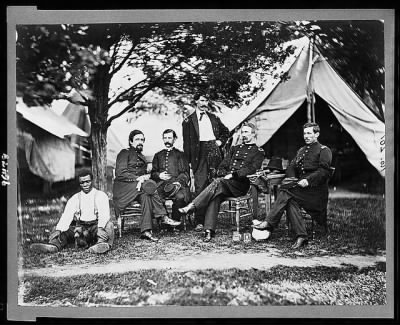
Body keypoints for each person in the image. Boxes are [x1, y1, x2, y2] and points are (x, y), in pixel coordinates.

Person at [179, 122, 265, 242]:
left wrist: (233, 174)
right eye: (242, 132)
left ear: (253, 134)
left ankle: (193, 206)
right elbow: (223, 164)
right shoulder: (235, 148)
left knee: (218, 183)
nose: (243, 135)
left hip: (240, 184)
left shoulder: (258, 151)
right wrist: (223, 173)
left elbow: (252, 168)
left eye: (246, 132)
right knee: (216, 195)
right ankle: (209, 231)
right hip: (226, 183)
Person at [252, 122, 332, 249]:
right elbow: (291, 166)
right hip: (300, 191)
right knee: (290, 201)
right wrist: (291, 178)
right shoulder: (301, 150)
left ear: (317, 134)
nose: (306, 136)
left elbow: (324, 171)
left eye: (309, 133)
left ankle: (269, 222)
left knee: (286, 192)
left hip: (316, 192)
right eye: (305, 133)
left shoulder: (324, 150)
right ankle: (301, 236)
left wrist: (308, 180)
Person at [113, 130, 180, 242]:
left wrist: (147, 175)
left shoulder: (142, 156)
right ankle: (163, 216)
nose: (140, 142)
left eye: (142, 140)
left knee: (147, 196)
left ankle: (146, 231)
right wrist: (138, 178)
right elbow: (120, 172)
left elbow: (144, 174)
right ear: (130, 141)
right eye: (137, 140)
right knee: (150, 187)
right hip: (124, 188)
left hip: (139, 188)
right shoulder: (124, 153)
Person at [30, 170, 115, 254]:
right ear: (79, 183)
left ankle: (100, 245)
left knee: (109, 226)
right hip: (81, 228)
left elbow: (104, 214)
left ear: (92, 181)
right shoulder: (75, 198)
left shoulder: (100, 195)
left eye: (87, 182)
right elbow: (67, 216)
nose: (85, 185)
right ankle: (53, 246)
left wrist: (100, 228)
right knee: (58, 229)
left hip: (95, 227)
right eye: (82, 182)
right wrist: (59, 230)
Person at [182, 94, 230, 232]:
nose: (204, 103)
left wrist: (219, 142)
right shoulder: (188, 121)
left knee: (214, 184)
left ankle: (211, 219)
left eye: (206, 101)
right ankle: (199, 221)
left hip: (214, 153)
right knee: (200, 185)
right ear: (196, 101)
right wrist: (189, 162)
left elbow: (225, 132)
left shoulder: (214, 117)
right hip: (199, 155)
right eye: (202, 100)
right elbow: (187, 144)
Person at [151, 129, 191, 225]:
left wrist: (178, 182)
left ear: (175, 139)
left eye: (169, 138)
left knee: (180, 197)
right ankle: (163, 222)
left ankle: (176, 220)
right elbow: (153, 173)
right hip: (161, 185)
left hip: (177, 184)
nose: (167, 140)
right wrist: (159, 175)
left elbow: (185, 173)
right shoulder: (158, 155)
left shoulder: (180, 154)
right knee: (156, 197)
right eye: (165, 138)